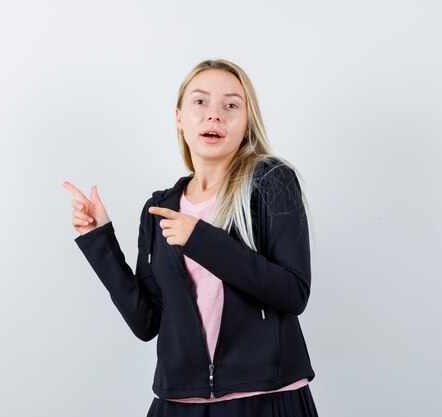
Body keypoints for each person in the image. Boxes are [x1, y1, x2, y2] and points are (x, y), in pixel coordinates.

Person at [62, 59, 319, 417]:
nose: (214, 115)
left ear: (246, 123)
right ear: (179, 117)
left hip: (265, 399)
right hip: (177, 404)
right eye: (200, 102)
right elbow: (146, 322)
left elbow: (293, 292)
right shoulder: (160, 208)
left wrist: (200, 239)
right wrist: (98, 239)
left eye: (231, 105)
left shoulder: (271, 181)